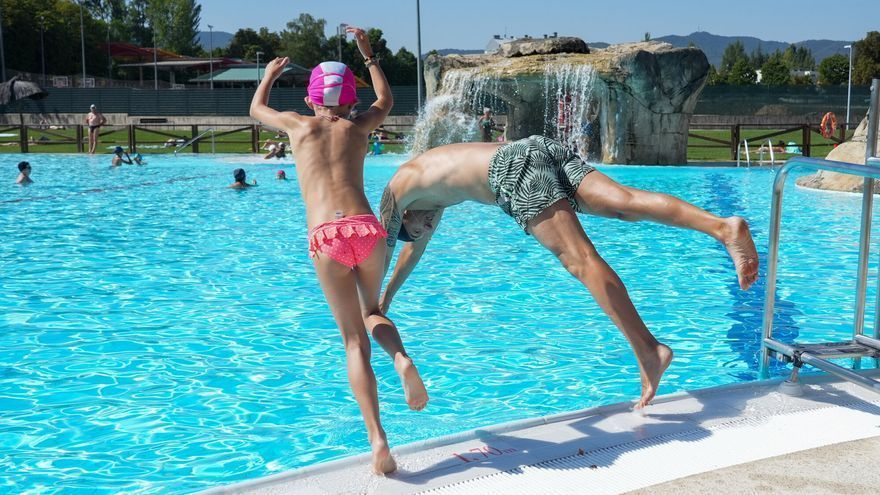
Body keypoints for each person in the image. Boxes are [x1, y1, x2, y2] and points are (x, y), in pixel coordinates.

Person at [378, 135, 760, 409]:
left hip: (512, 169)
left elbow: (385, 246)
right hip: (536, 147)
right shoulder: (426, 192)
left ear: (404, 216)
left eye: (419, 227)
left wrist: (371, 300)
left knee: (579, 259)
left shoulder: (397, 192)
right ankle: (722, 226)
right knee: (624, 204)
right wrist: (388, 298)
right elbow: (415, 250)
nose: (427, 229)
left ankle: (649, 350)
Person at [249, 26, 427, 476]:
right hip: (368, 229)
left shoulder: (297, 124)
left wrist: (270, 75)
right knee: (374, 312)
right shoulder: (358, 124)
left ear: (312, 100)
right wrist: (369, 56)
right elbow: (386, 101)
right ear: (350, 101)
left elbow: (255, 109)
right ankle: (401, 359)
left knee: (352, 341)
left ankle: (378, 439)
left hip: (327, 235)